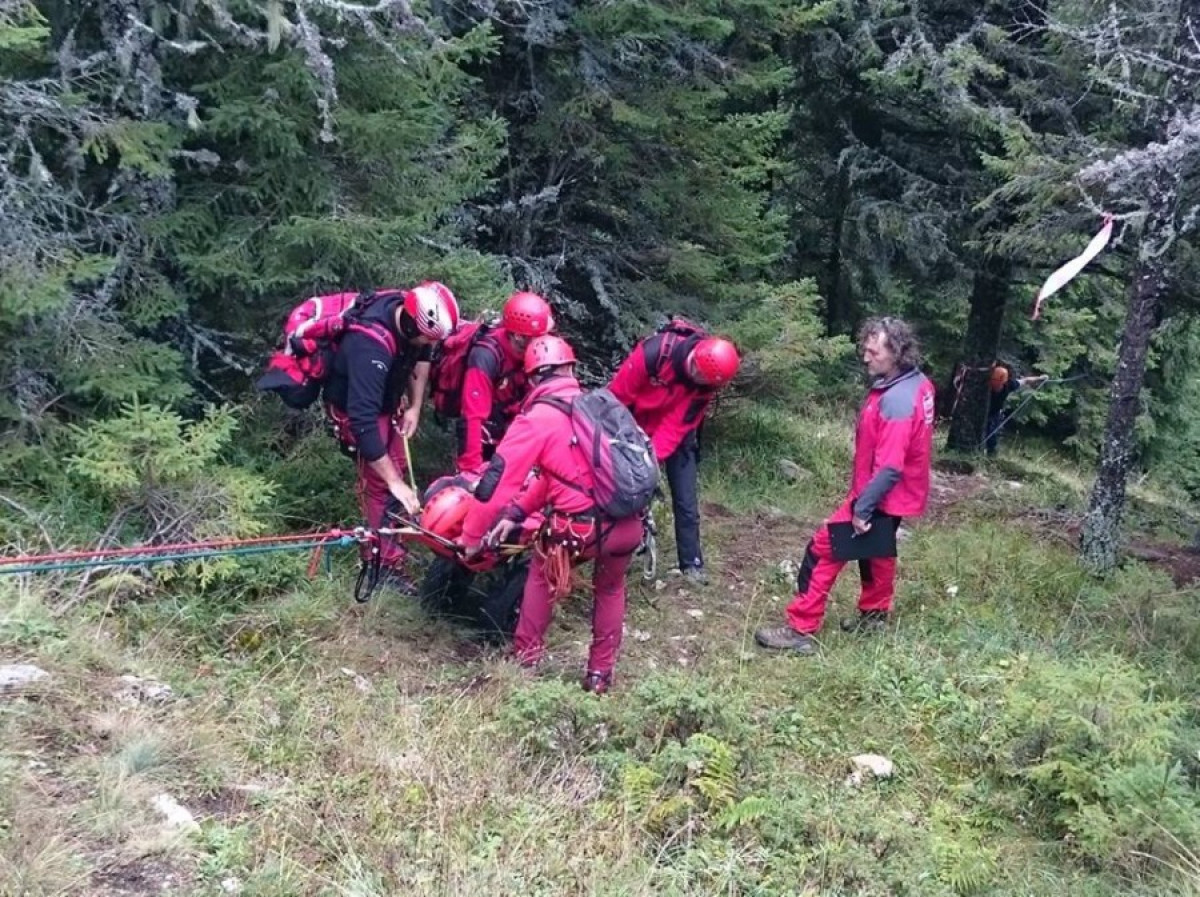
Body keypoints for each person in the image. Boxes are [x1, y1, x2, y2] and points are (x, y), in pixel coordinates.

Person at [460, 335, 644, 694]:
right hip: (628, 523)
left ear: (531, 379)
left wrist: (471, 538)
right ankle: (599, 675)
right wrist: (518, 512)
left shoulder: (539, 418)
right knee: (611, 588)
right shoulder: (598, 407)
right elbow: (559, 476)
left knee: (540, 577)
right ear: (571, 369)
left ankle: (526, 658)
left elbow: (496, 483)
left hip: (579, 530)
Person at [755, 316, 934, 655]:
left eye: (874, 352)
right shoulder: (917, 383)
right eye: (864, 350)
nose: (866, 358)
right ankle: (874, 616)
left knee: (823, 550)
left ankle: (800, 630)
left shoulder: (897, 400)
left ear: (896, 352)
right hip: (897, 495)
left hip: (878, 494)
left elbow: (891, 465)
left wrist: (863, 508)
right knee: (877, 552)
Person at [323, 282, 459, 588]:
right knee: (382, 485)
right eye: (428, 338)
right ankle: (381, 567)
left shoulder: (410, 317)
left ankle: (393, 545)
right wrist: (394, 482)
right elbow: (363, 425)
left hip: (386, 401)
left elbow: (422, 357)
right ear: (412, 325)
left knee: (397, 472)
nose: (429, 344)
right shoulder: (369, 346)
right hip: (356, 410)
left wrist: (414, 407)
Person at [608, 322, 740, 584]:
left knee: (686, 499)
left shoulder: (706, 386)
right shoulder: (655, 353)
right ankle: (614, 551)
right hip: (630, 424)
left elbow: (674, 426)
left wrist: (650, 463)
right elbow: (617, 399)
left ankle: (691, 563)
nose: (696, 378)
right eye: (695, 372)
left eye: (702, 378)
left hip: (677, 436)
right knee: (621, 489)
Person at [456, 291, 554, 474]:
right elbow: (472, 418)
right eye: (538, 336)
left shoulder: (531, 354)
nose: (543, 341)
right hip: (483, 432)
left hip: (507, 429)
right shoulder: (486, 356)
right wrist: (471, 471)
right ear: (519, 336)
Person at [985, 364, 1048, 457]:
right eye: (994, 381)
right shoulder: (985, 387)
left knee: (992, 433)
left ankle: (990, 454)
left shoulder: (1009, 384)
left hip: (994, 413)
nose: (995, 384)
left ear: (1003, 382)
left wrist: (1040, 378)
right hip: (984, 413)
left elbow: (1025, 380)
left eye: (998, 382)